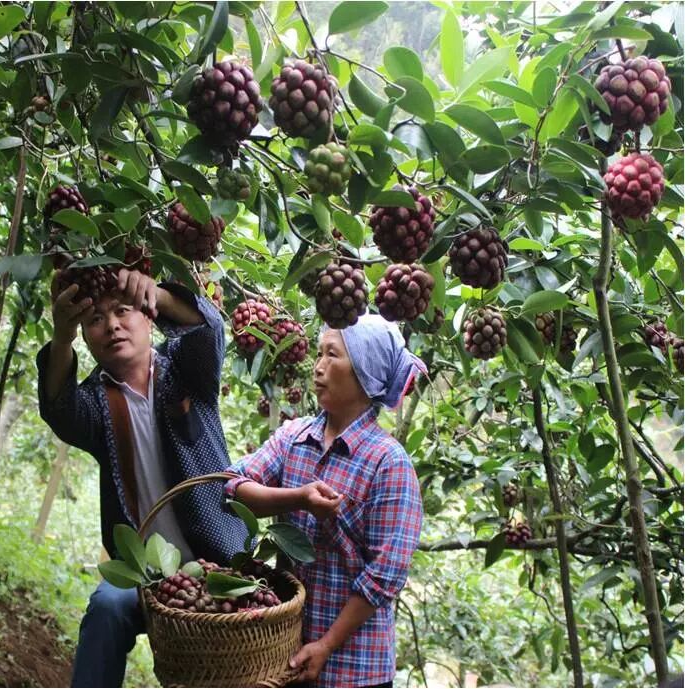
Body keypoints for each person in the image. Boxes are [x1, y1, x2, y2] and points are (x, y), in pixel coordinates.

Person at [37, 268, 247, 688]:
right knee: (106, 609)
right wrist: (61, 337)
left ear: (148, 318)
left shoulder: (187, 371)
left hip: (218, 563)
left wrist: (159, 295)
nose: (112, 326)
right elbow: (58, 408)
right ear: (85, 336)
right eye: (95, 319)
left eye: (123, 311)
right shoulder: (95, 403)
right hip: (142, 574)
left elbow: (209, 329)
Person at [224, 314, 425, 688]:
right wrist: (297, 499)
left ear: (365, 373)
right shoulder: (294, 438)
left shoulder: (388, 463)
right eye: (318, 354)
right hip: (286, 657)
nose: (317, 367)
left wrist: (327, 645)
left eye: (332, 355)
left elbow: (385, 575)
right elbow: (232, 487)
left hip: (356, 670)